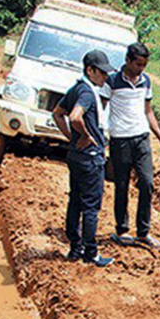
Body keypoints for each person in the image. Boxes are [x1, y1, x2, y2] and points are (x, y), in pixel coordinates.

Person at [52, 49, 114, 268]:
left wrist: (71, 137)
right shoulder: (87, 93)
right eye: (102, 73)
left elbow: (57, 113)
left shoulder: (75, 88)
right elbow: (74, 116)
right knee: (91, 207)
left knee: (76, 201)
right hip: (90, 158)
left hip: (76, 156)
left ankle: (75, 247)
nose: (105, 77)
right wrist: (86, 137)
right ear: (90, 70)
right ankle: (91, 253)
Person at [107, 42, 160, 249]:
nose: (141, 69)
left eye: (144, 65)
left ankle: (143, 232)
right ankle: (122, 230)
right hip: (120, 140)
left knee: (147, 183)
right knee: (122, 185)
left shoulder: (145, 81)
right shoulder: (112, 81)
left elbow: (148, 111)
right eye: (138, 64)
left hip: (141, 138)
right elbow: (101, 107)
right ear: (127, 61)